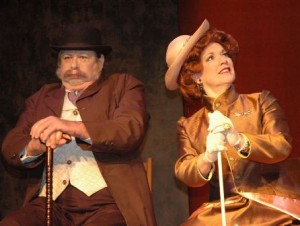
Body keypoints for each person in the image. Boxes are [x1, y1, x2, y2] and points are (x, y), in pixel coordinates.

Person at [1, 22, 156, 226]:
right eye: (67, 58)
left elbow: (129, 130)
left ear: (100, 63)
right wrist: (36, 145)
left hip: (108, 204)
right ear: (59, 65)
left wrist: (70, 127)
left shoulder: (123, 86)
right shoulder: (41, 98)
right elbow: (11, 144)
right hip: (50, 204)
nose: (74, 65)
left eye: (83, 57)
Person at [165, 19, 300, 225]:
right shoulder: (188, 125)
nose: (223, 60)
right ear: (196, 76)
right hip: (224, 208)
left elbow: (282, 145)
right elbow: (185, 171)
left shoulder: (261, 101)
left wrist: (239, 141)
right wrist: (206, 157)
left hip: (271, 204)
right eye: (211, 57)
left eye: (225, 54)